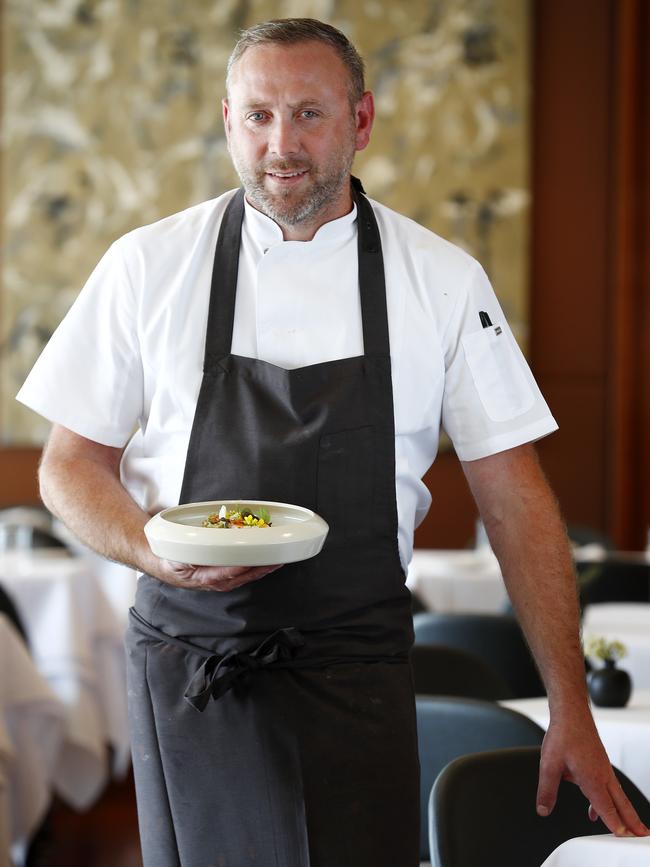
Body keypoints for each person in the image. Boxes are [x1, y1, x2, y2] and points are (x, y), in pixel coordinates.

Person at [17, 17, 648, 866]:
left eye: (309, 114)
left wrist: (569, 704)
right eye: (258, 115)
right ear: (228, 120)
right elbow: (68, 467)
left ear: (361, 121)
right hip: (195, 669)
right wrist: (150, 550)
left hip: (359, 668)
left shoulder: (442, 281)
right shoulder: (147, 267)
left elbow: (516, 497)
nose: (281, 143)